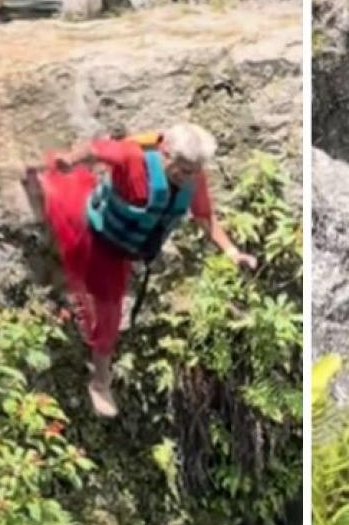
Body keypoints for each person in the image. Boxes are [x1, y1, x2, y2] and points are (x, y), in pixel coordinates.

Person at [34, 124, 257, 418]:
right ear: (165, 154)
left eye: (195, 170)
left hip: (125, 250)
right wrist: (71, 160)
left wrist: (231, 251)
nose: (190, 176)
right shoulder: (133, 158)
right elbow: (97, 149)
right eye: (184, 168)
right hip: (99, 236)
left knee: (101, 299)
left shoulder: (193, 179)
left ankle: (77, 301)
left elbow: (204, 216)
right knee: (110, 312)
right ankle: (100, 382)